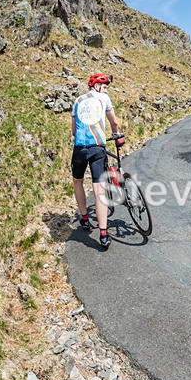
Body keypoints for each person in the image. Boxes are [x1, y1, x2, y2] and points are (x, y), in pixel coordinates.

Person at [71, 73, 124, 249]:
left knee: (77, 181)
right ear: (97, 86)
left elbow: (73, 130)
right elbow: (114, 122)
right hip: (97, 148)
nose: (107, 89)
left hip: (79, 148)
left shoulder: (77, 101)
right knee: (99, 188)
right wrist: (117, 136)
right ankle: (103, 234)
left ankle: (84, 219)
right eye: (105, 86)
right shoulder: (104, 98)